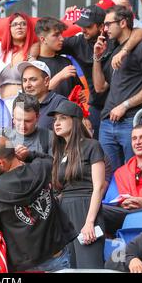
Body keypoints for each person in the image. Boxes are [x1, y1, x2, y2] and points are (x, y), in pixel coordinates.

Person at [0, 136, 77, 272]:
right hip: (56, 257)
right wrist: (28, 155)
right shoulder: (41, 168)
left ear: (0, 163)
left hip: (22, 265)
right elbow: (51, 160)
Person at [60, 4, 142, 139]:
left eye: (88, 26)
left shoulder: (114, 37)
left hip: (121, 104)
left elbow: (141, 31)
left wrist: (124, 51)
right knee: (96, 150)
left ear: (101, 27)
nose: (83, 29)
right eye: (81, 25)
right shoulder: (78, 42)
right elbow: (49, 41)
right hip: (97, 104)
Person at [93, 5, 142, 173]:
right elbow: (100, 87)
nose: (105, 29)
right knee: (109, 176)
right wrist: (96, 57)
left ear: (123, 22)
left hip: (133, 121)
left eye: (108, 24)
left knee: (136, 173)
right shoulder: (113, 50)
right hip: (108, 122)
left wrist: (125, 105)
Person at [47, 100, 106, 269]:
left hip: (85, 208)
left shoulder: (92, 146)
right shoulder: (59, 151)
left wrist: (89, 222)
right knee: (69, 267)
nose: (57, 123)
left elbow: (99, 187)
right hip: (65, 212)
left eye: (62, 118)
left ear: (75, 121)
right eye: (55, 119)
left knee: (89, 267)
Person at [35, 17, 83, 98]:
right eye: (56, 35)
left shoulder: (66, 62)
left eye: (61, 34)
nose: (62, 38)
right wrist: (60, 76)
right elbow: (30, 96)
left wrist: (79, 95)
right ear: (43, 39)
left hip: (67, 110)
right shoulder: (33, 65)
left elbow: (78, 89)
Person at [18, 60, 67, 130]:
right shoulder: (20, 105)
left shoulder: (60, 103)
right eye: (25, 80)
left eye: (33, 79)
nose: (27, 85)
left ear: (46, 81)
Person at [2, 93, 52, 160]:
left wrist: (30, 155)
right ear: (13, 117)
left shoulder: (49, 137)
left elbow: (55, 165)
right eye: (19, 120)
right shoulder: (3, 136)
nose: (22, 125)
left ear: (37, 118)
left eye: (28, 121)